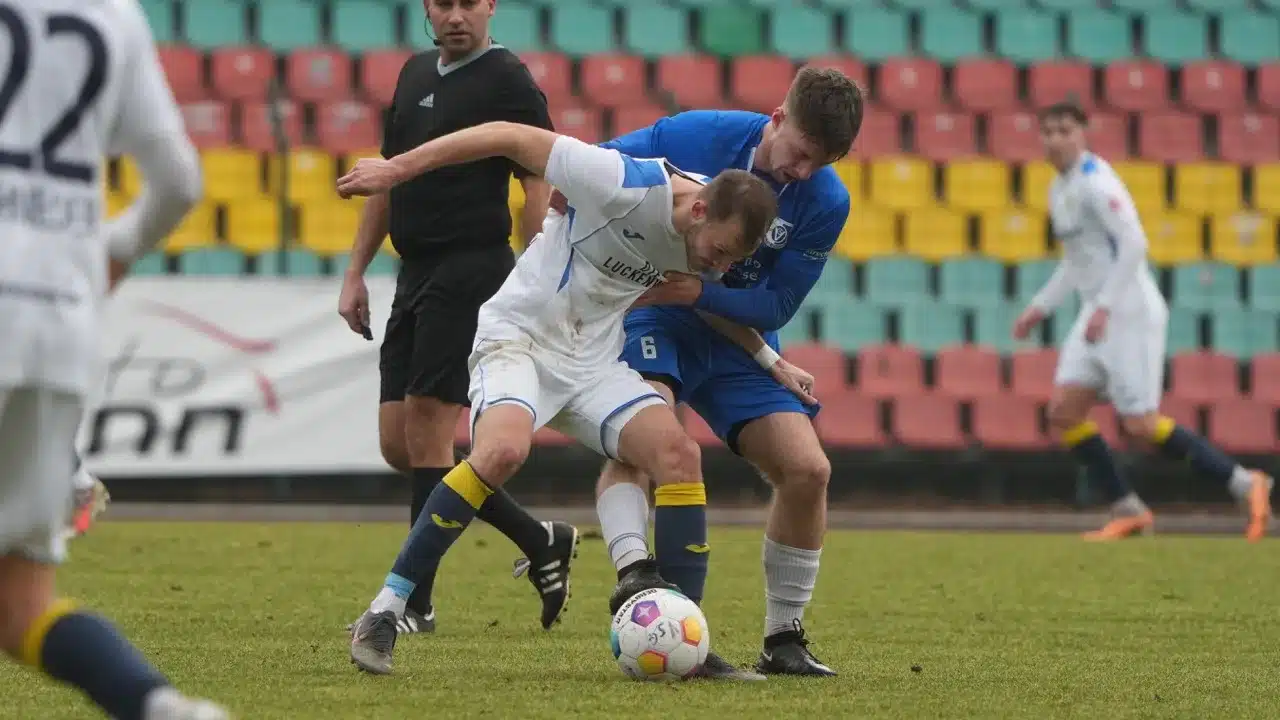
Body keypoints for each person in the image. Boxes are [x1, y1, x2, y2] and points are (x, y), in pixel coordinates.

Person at [336, 119, 782, 675]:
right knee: (501, 454)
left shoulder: (707, 239)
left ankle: (686, 641)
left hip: (593, 361)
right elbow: (504, 134)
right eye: (719, 251)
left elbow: (702, 298)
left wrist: (772, 361)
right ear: (697, 212)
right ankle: (384, 609)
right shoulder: (622, 182)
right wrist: (395, 169)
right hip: (518, 341)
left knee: (679, 456)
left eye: (731, 260)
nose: (720, 266)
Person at [581, 66, 862, 679]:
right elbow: (597, 167)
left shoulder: (826, 200)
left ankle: (784, 638)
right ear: (778, 118)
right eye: (802, 155)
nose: (805, 173)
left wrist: (699, 296)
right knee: (649, 439)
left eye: (824, 162)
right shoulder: (696, 136)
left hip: (735, 334)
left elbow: (775, 306)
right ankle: (641, 583)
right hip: (653, 318)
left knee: (809, 470)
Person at [0, 0, 229, 717]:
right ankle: (154, 706)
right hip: (58, 319)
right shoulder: (114, 14)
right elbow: (180, 184)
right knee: (19, 603)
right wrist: (113, 251)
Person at [335, 0, 575, 635]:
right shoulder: (414, 72)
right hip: (413, 272)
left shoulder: (507, 79)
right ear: (426, 9)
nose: (457, 15)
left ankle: (415, 602)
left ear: (490, 6)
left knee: (429, 435)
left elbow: (538, 184)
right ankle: (539, 537)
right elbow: (386, 179)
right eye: (444, 2)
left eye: (470, 2)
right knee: (402, 444)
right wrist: (356, 271)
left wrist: (536, 275)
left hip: (473, 268)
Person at [1013, 99, 1272, 541]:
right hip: (1096, 315)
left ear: (1083, 134)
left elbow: (1135, 243)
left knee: (1141, 426)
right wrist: (1040, 307)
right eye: (1049, 130)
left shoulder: (1098, 183)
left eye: (1065, 130)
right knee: (1063, 412)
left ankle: (1247, 484)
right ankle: (1129, 509)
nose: (1055, 139)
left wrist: (1106, 306)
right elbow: (1076, 261)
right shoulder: (1059, 188)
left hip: (1128, 313)